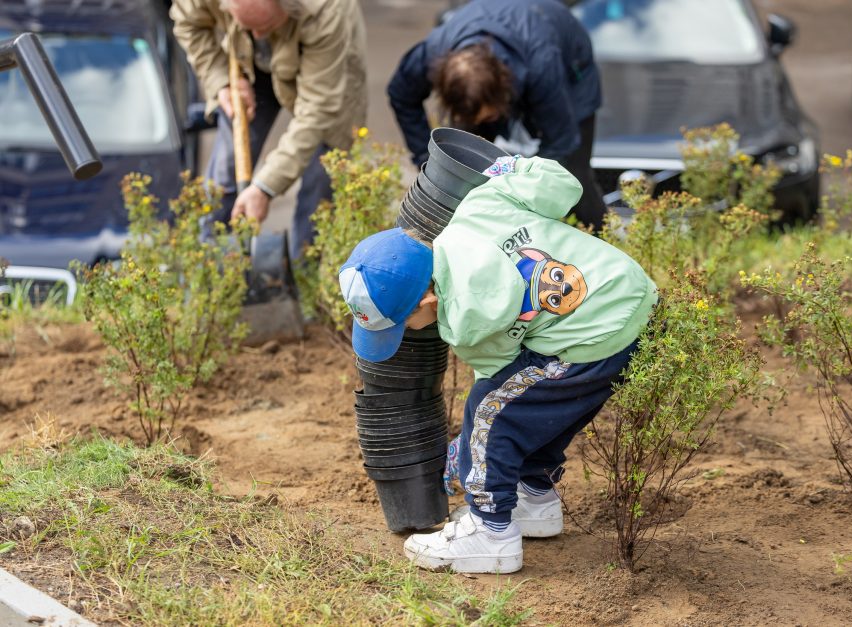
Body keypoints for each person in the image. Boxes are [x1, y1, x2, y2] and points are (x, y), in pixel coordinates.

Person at [339, 154, 657, 573]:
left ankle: (490, 533)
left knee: (491, 412)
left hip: (590, 336)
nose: (411, 332)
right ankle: (533, 498)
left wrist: (467, 452)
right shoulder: (476, 208)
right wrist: (511, 167)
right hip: (629, 295)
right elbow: (562, 185)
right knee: (534, 405)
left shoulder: (463, 321)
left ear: (427, 300)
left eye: (404, 324)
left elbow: (498, 376)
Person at [386, 0, 608, 231]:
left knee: (573, 174)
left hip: (570, 64)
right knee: (460, 168)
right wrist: (426, 156)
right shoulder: (433, 52)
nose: (481, 123)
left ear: (503, 93)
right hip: (510, 44)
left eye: (487, 116)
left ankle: (606, 240)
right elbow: (401, 95)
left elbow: (562, 142)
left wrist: (519, 194)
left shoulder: (542, 65)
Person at [170, 0, 367, 258]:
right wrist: (221, 82)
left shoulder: (326, 11)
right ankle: (212, 270)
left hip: (327, 68)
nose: (260, 36)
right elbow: (187, 24)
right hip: (246, 62)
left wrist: (266, 187)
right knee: (224, 175)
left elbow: (317, 110)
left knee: (323, 176)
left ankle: (306, 273)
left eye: (266, 26)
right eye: (249, 26)